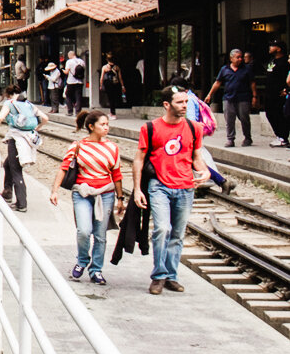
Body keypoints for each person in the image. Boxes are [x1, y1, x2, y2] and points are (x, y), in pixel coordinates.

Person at [133, 86, 208, 294]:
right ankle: (158, 275)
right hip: (159, 185)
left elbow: (196, 158)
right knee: (162, 229)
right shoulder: (150, 128)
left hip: (185, 187)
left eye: (186, 102)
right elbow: (138, 160)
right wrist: (138, 189)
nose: (184, 106)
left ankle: (171, 276)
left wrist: (205, 172)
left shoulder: (195, 128)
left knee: (177, 233)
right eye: (179, 102)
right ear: (167, 105)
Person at [50, 110, 124, 285]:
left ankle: (96, 269)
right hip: (82, 193)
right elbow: (63, 168)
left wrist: (120, 198)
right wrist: (54, 190)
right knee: (83, 230)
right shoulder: (78, 146)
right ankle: (82, 260)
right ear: (91, 126)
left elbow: (117, 174)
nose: (106, 127)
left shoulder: (112, 147)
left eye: (107, 124)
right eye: (102, 124)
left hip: (105, 194)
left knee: (100, 235)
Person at [0, 85, 47, 211]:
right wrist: (37, 128)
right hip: (29, 138)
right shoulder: (28, 104)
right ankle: (7, 192)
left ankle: (21, 204)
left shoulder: (9, 103)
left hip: (16, 139)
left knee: (16, 169)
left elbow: (0, 117)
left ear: (8, 94)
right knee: (7, 165)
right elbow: (45, 118)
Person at [206, 48, 257, 147]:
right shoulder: (225, 69)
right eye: (237, 57)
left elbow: (252, 83)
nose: (240, 59)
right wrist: (210, 94)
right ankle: (230, 139)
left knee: (244, 118)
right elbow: (217, 82)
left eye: (241, 57)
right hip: (228, 98)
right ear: (231, 58)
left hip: (243, 97)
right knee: (229, 120)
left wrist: (254, 96)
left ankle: (247, 137)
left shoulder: (246, 69)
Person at [262, 39, 290, 147]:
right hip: (270, 93)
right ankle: (279, 135)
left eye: (273, 46)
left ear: (279, 48)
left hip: (279, 95)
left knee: (280, 115)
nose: (270, 48)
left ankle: (283, 137)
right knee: (270, 114)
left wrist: (286, 90)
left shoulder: (285, 62)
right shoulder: (272, 61)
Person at [63, 50, 86, 115]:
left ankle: (70, 111)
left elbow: (67, 72)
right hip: (80, 81)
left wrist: (63, 71)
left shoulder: (69, 62)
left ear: (70, 55)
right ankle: (78, 111)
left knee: (68, 95)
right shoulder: (82, 61)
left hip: (71, 81)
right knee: (78, 96)